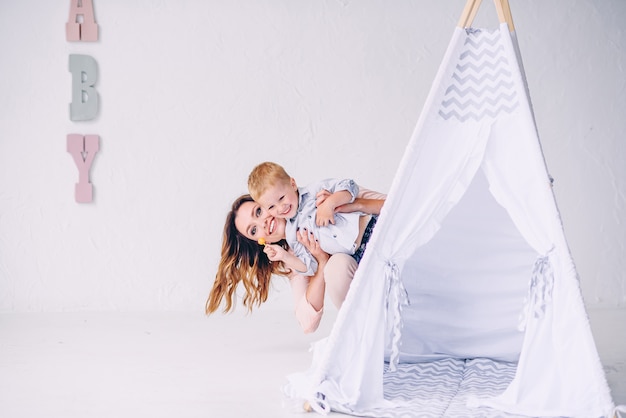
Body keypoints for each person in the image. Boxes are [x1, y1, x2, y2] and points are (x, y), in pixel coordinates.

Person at [206, 190, 385, 333]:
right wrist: (322, 262)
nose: (263, 223)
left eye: (259, 211)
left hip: (389, 245)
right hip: (377, 297)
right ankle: (373, 335)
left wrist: (341, 204)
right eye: (253, 230)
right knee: (336, 267)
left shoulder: (315, 199)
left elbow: (397, 203)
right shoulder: (293, 258)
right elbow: (307, 322)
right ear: (259, 241)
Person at [248, 161, 376, 277]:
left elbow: (350, 185)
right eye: (271, 207)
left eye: (281, 198)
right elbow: (309, 266)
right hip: (356, 258)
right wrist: (284, 256)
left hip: (368, 227)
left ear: (293, 184)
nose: (280, 208)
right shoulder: (293, 234)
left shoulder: (313, 191)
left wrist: (330, 203)